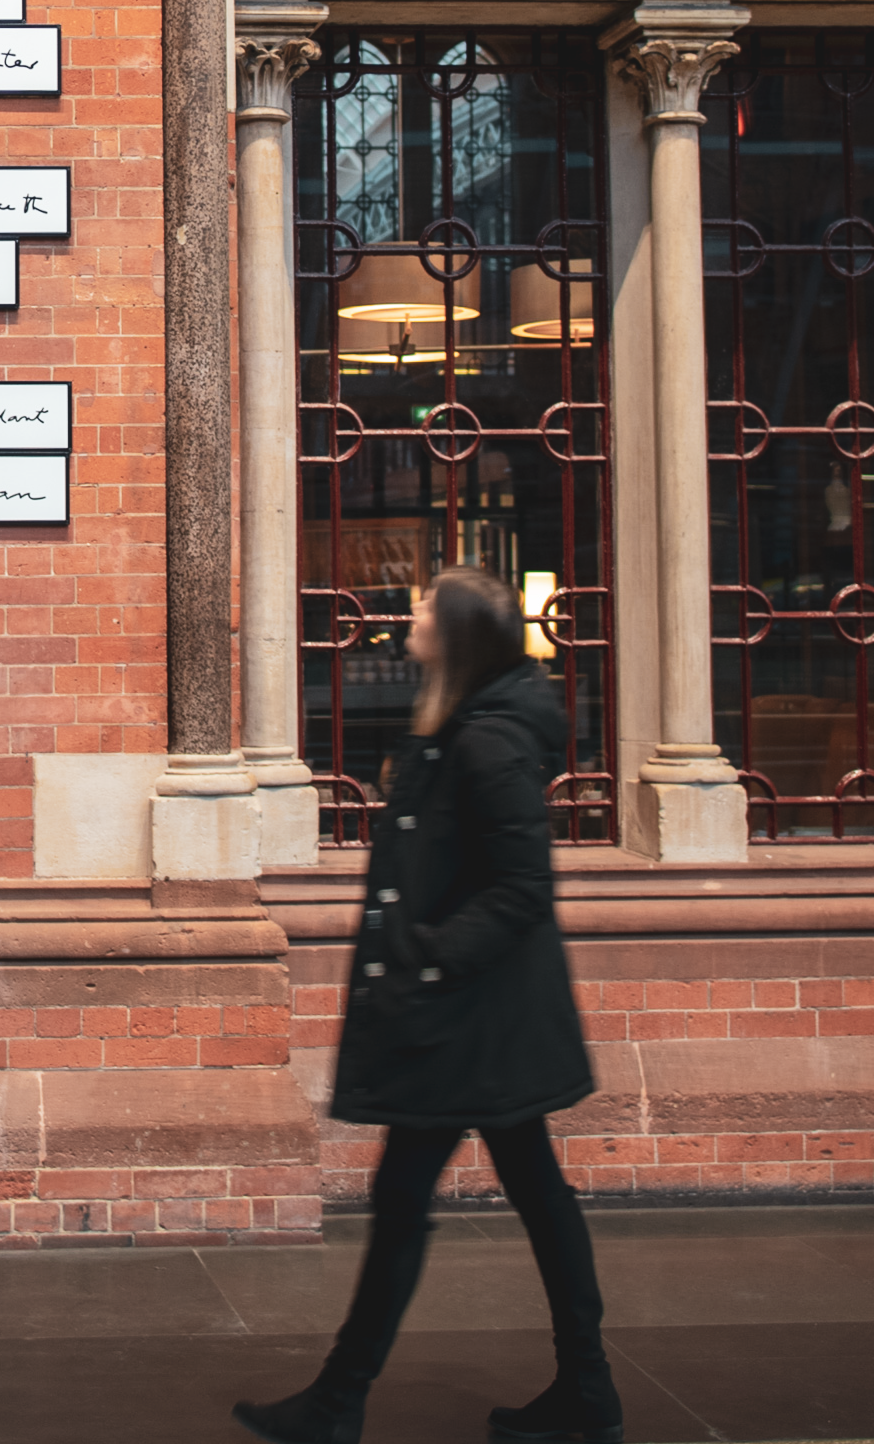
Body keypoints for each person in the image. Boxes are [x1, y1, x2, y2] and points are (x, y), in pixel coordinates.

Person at [237, 567, 623, 1444]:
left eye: (423, 606)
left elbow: (522, 887)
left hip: (471, 1022)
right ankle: (587, 1391)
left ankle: (340, 1402)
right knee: (524, 1193)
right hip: (478, 1020)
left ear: (457, 636)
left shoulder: (485, 743)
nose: (409, 614)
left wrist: (431, 955)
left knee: (416, 1195)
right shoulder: (460, 730)